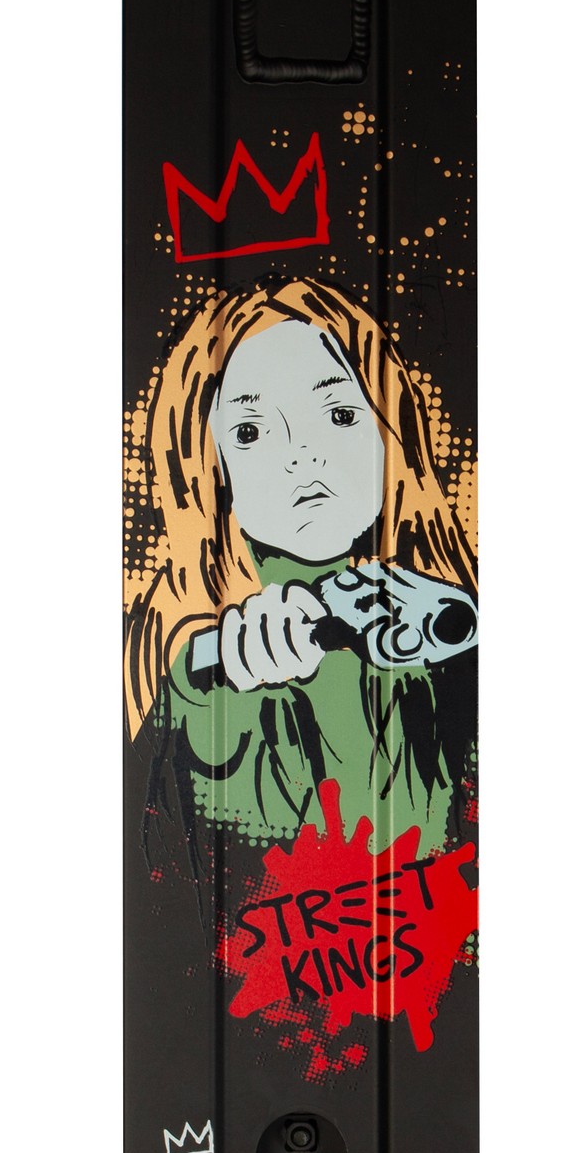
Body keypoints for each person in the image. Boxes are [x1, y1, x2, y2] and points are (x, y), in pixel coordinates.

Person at [124, 277, 477, 863]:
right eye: (250, 431)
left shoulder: (441, 605)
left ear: (389, 427)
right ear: (206, 461)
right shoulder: (191, 661)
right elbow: (171, 859)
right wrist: (215, 704)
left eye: (339, 414)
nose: (303, 455)